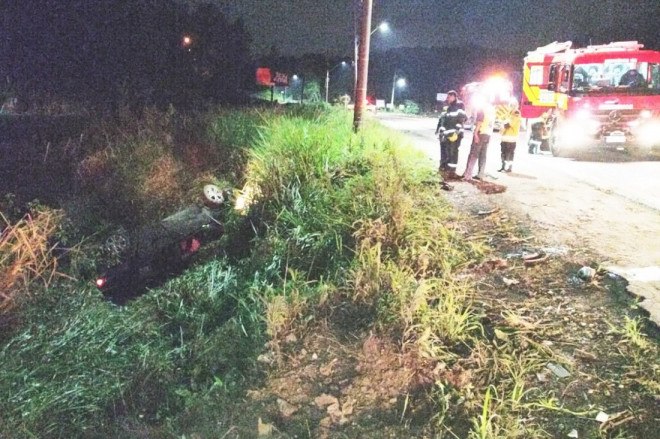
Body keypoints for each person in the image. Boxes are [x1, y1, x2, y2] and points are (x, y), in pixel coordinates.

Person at [435, 91, 467, 177]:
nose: (447, 99)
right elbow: (445, 120)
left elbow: (462, 119)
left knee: (453, 152)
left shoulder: (460, 105)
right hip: (448, 134)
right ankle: (446, 169)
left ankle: (452, 171)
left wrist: (456, 131)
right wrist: (440, 131)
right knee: (448, 152)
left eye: (449, 97)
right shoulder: (449, 107)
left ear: (453, 96)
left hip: (455, 134)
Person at [462, 102, 495, 181]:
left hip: (481, 133)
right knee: (483, 155)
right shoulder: (492, 109)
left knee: (473, 154)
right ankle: (480, 174)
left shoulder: (482, 109)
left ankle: (467, 174)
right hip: (488, 134)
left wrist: (475, 133)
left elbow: (480, 122)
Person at [499, 107, 522, 172]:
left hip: (509, 139)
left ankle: (507, 167)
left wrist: (503, 126)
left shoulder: (515, 118)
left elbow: (508, 125)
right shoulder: (512, 118)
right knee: (507, 154)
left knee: (507, 154)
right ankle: (505, 167)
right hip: (508, 139)